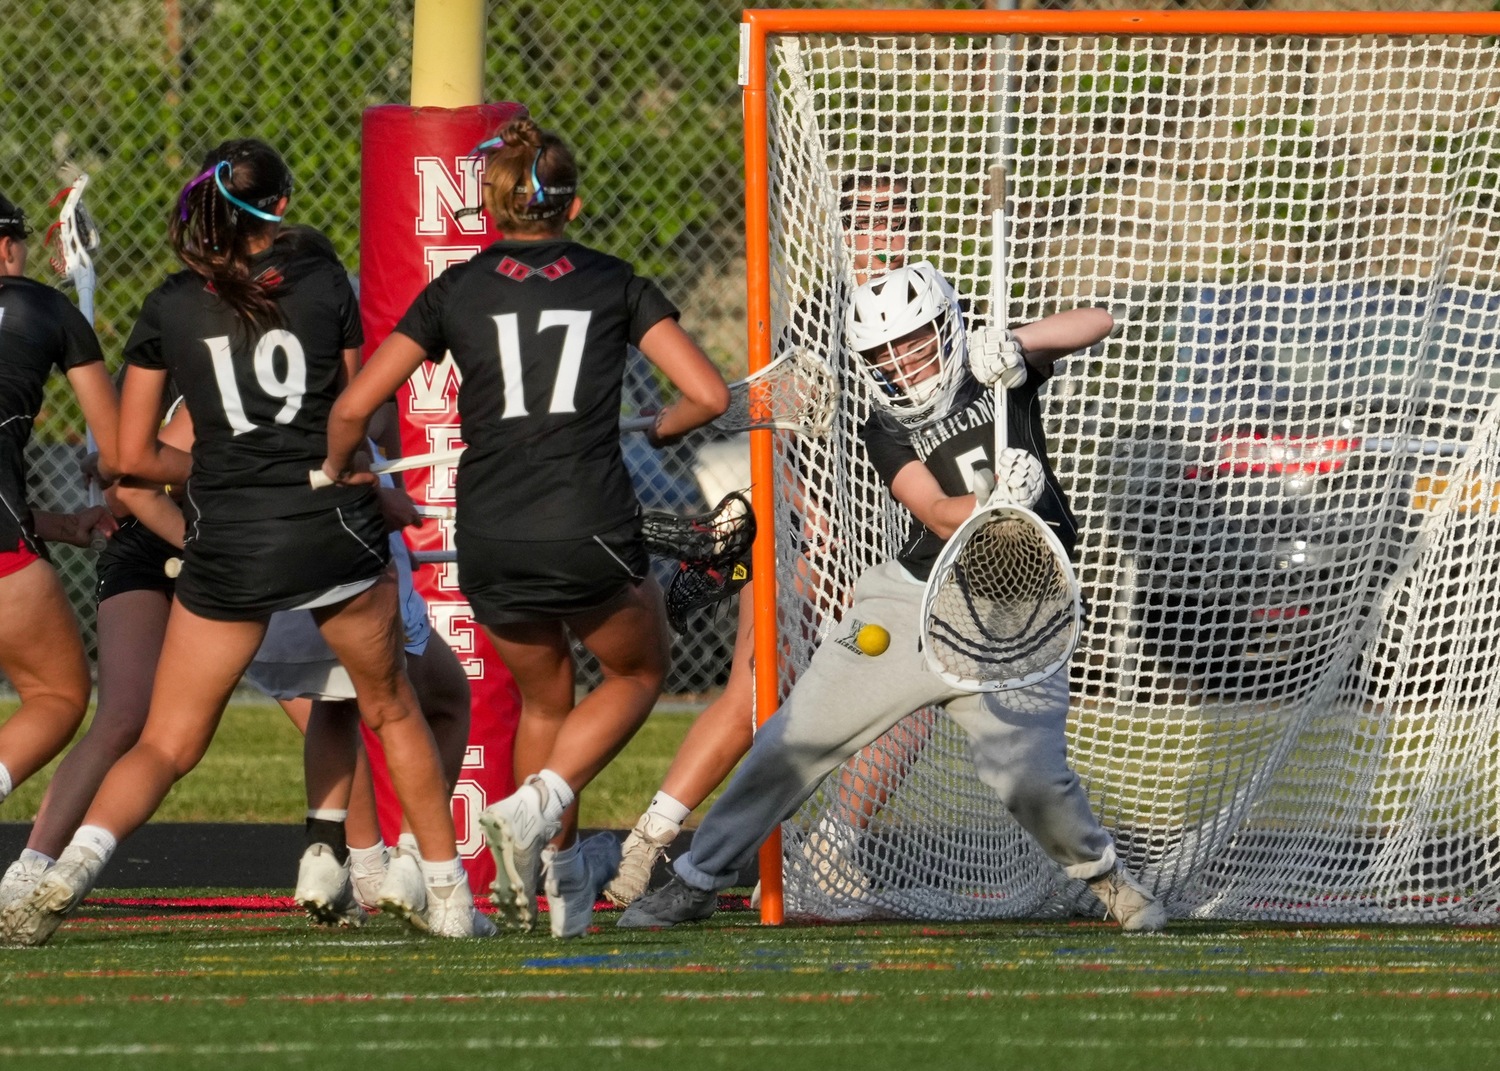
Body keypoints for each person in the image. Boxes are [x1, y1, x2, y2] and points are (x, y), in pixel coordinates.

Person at [0, 139, 488, 945]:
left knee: (165, 739)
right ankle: (450, 902)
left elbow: (127, 460)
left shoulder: (169, 305)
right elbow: (356, 421)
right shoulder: (329, 281)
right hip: (329, 529)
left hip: (227, 540)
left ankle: (63, 874)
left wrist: (219, 471)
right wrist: (368, 486)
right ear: (283, 210)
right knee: (393, 708)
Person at [619, 261, 1167, 932]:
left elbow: (1098, 321)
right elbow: (936, 511)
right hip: (912, 600)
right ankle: (698, 878)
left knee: (1032, 780)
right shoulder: (886, 425)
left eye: (911, 341)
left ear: (945, 328)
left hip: (1020, 613)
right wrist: (991, 500)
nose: (900, 361)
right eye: (880, 353)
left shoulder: (994, 371)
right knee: (793, 738)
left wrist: (1017, 344)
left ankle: (1106, 880)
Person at [322, 117, 729, 939]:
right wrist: (661, 427)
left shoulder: (457, 288)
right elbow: (709, 396)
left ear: (494, 204)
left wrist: (346, 469)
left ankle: (562, 888)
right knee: (638, 672)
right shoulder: (615, 279)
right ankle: (539, 806)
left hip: (493, 529)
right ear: (572, 205)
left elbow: (355, 406)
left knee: (548, 700)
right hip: (590, 521)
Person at [605, 171, 922, 907]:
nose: (883, 235)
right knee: (755, 689)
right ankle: (649, 843)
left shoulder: (931, 311)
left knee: (916, 693)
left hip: (905, 548)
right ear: (841, 230)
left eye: (895, 217)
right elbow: (783, 442)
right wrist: (813, 539)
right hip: (813, 538)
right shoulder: (819, 319)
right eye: (867, 218)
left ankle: (833, 848)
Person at [0, 190, 119, 835]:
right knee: (58, 695)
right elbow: (118, 449)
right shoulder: (42, 306)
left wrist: (63, 526)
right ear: (9, 248)